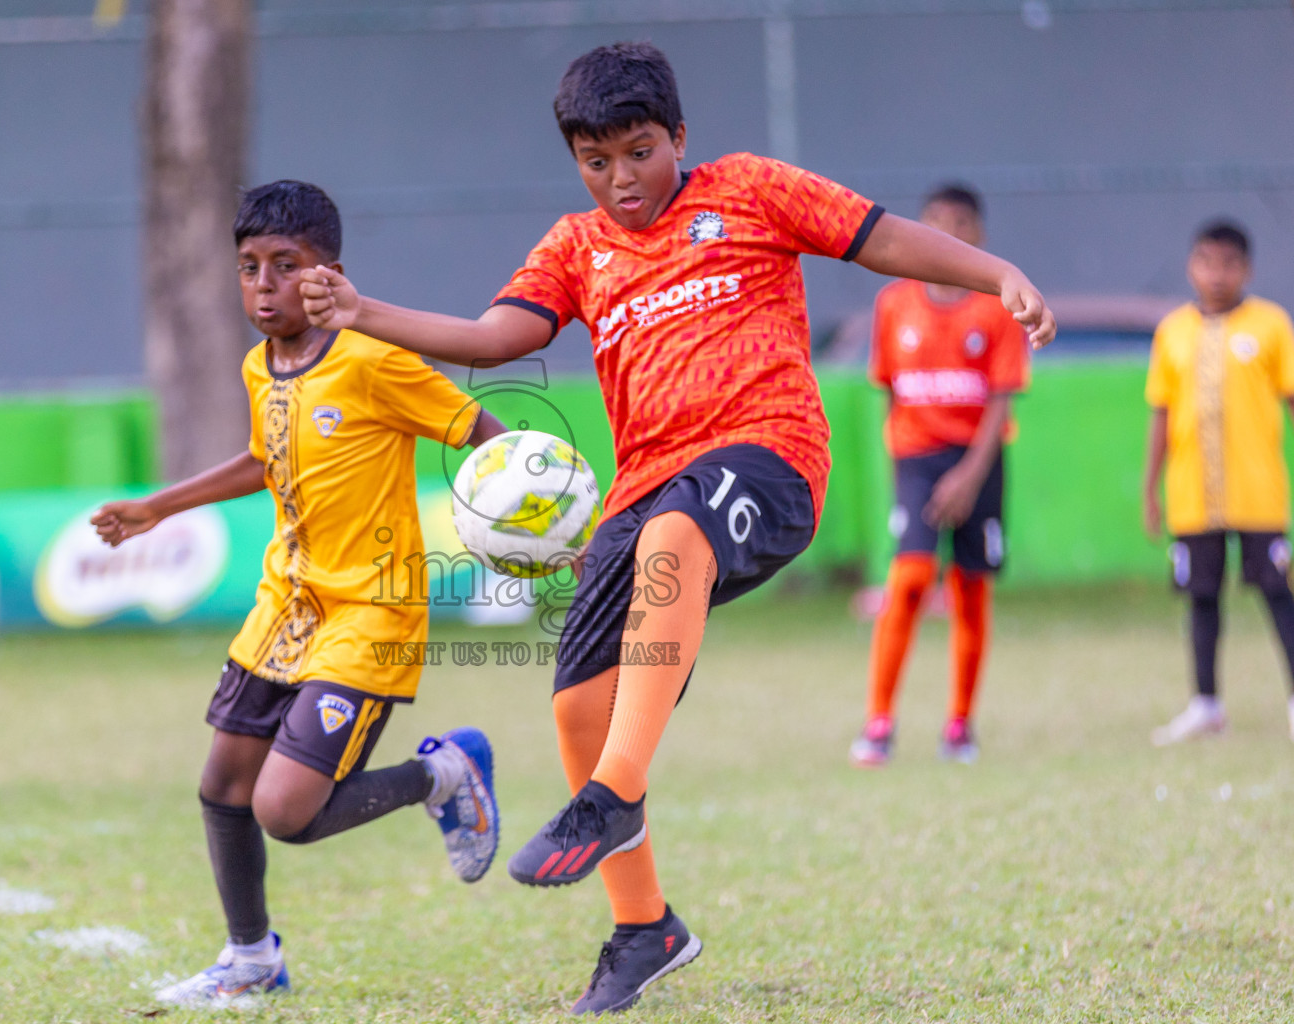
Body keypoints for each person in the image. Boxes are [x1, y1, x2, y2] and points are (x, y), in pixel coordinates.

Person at [299, 43, 1054, 1014]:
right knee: (576, 703)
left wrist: (999, 275)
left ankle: (614, 791)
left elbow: (882, 237)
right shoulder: (576, 247)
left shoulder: (748, 191)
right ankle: (645, 927)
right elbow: (496, 337)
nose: (620, 180)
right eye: (596, 161)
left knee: (674, 541)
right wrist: (362, 310)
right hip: (642, 488)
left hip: (767, 456)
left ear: (679, 137)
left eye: (640, 152)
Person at [90, 181, 507, 1005]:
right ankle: (250, 960)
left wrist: (525, 514)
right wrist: (156, 507)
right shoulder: (260, 364)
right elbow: (262, 457)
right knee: (222, 787)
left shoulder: (375, 359)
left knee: (283, 810)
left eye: (286, 266)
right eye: (249, 268)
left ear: (330, 275)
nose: (264, 286)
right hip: (288, 605)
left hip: (372, 611)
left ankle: (446, 774)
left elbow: (481, 432)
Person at [848, 184, 1031, 768]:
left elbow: (1003, 400)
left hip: (977, 460)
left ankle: (960, 724)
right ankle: (878, 722)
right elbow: (887, 393)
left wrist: (970, 475)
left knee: (971, 591)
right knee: (909, 579)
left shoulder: (995, 307)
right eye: (935, 222)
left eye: (960, 223)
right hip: (918, 461)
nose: (948, 233)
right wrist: (904, 460)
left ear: (979, 234)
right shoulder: (894, 304)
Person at [1143, 220, 1294, 746]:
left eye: (1229, 263)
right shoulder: (1172, 332)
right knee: (1201, 598)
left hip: (1259, 493)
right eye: (1207, 261)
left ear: (1246, 269)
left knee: (1280, 594)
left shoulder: (1272, 325)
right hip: (1192, 495)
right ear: (1191, 266)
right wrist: (1150, 488)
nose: (1217, 274)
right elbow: (1160, 414)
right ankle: (1206, 704)